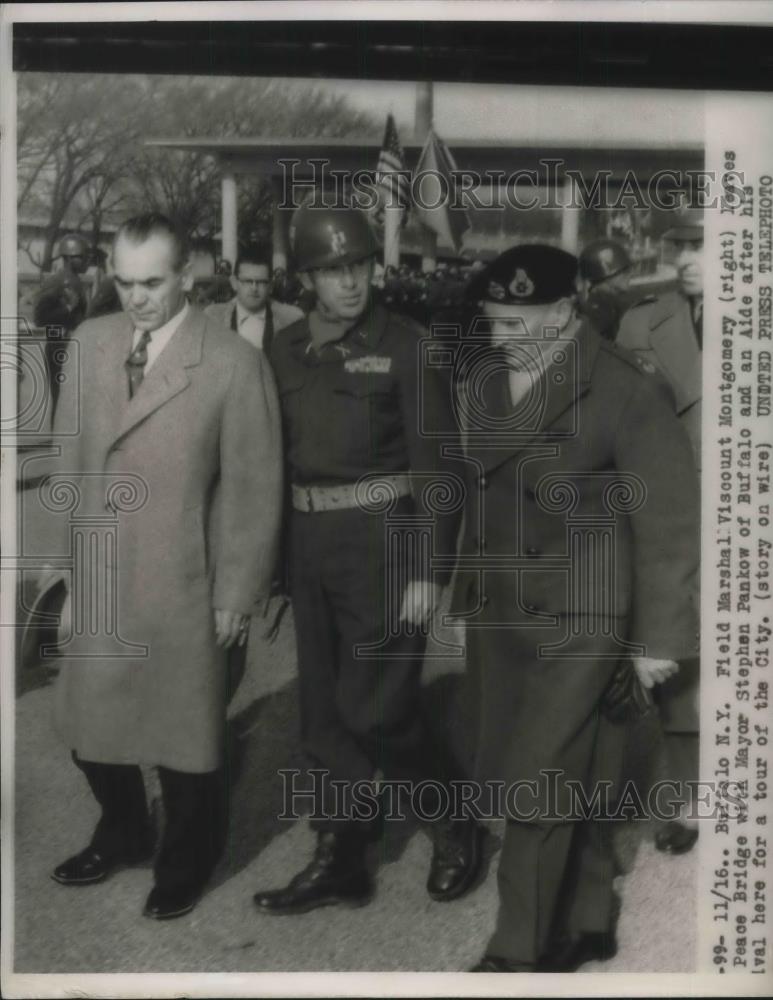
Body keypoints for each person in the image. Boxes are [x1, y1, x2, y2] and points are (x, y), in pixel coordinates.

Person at [454, 244, 699, 972]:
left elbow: (667, 524)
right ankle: (590, 915)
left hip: (584, 616)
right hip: (506, 615)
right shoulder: (489, 378)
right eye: (492, 321)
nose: (498, 337)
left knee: (536, 776)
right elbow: (483, 497)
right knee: (579, 766)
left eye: (513, 322)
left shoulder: (624, 389)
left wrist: (658, 638)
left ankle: (517, 947)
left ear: (562, 313)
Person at [48, 213, 283, 920]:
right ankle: (122, 830)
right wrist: (66, 577)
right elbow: (71, 462)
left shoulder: (234, 362)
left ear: (190, 275)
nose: (135, 297)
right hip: (100, 577)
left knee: (188, 745)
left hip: (185, 582)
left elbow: (253, 485)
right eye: (122, 281)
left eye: (151, 281)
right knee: (91, 734)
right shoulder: (89, 344)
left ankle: (187, 859)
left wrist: (237, 592)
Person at [252, 204, 480, 916]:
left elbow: (440, 466)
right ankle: (341, 855)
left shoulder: (407, 347)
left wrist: (428, 571)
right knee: (323, 719)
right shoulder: (282, 351)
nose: (348, 282)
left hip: (385, 544)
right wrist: (275, 567)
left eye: (357, 266)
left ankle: (451, 820)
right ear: (308, 278)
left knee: (374, 710)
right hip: (309, 546)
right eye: (331, 270)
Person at [617, 209, 703, 856]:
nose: (691, 259)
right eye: (684, 246)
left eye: (707, 245)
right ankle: (686, 798)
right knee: (679, 661)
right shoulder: (641, 322)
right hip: (675, 516)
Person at [205, 245, 303, 352]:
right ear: (234, 283)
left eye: (261, 282)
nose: (254, 288)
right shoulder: (212, 317)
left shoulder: (292, 320)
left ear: (271, 286)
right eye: (247, 281)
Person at [33, 233, 91, 414]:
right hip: (59, 346)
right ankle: (59, 441)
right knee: (62, 402)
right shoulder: (58, 281)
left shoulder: (74, 280)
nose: (86, 261)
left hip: (71, 346)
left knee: (72, 403)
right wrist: (68, 308)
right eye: (82, 257)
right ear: (69, 258)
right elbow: (40, 317)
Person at [577, 237, 634, 341]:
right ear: (601, 274)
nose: (630, 274)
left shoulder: (611, 306)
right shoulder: (598, 316)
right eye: (624, 270)